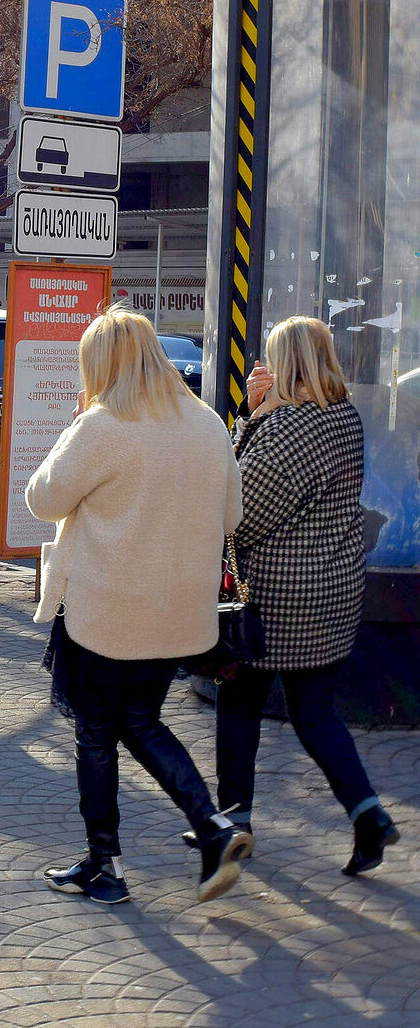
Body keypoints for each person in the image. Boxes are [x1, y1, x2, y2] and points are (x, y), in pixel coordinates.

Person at [27, 305, 251, 906]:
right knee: (141, 721)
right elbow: (232, 516)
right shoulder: (207, 423)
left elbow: (42, 499)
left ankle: (107, 867)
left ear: (100, 364)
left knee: (97, 733)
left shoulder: (102, 425)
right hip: (180, 614)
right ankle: (213, 828)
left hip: (107, 611)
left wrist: (74, 426)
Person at [211, 316, 399, 875]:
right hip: (335, 590)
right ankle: (369, 815)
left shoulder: (286, 428)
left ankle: (234, 825)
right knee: (315, 713)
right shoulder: (345, 417)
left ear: (287, 363)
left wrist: (254, 418)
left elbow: (238, 513)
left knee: (238, 705)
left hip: (277, 599)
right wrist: (259, 414)